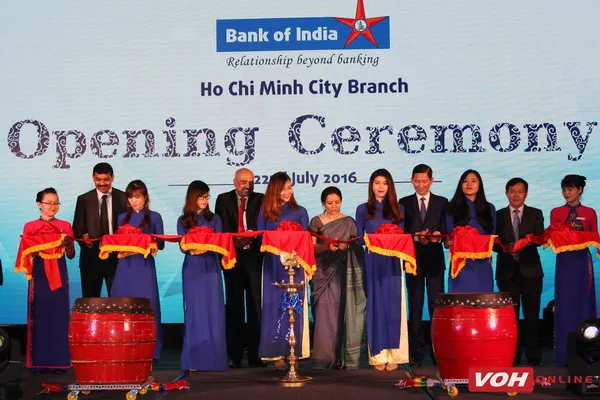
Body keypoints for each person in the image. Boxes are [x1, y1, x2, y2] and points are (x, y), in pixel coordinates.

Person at [355, 168, 408, 371]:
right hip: (373, 261)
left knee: (394, 305)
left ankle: (395, 354)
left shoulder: (398, 208)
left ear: (390, 186)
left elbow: (403, 236)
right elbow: (359, 239)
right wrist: (377, 240)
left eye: (385, 183)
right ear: (371, 185)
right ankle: (378, 355)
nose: (380, 187)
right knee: (376, 305)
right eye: (377, 183)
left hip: (393, 261)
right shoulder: (362, 209)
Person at [257, 172, 310, 369]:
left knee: (294, 307)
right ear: (274, 190)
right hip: (273, 266)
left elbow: (305, 241)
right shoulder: (265, 212)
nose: (287, 192)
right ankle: (275, 352)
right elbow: (261, 240)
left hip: (296, 267)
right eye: (283, 189)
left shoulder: (300, 211)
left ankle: (294, 351)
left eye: (290, 188)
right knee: (274, 306)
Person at [308, 186, 365, 370]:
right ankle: (323, 358)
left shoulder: (348, 222)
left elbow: (358, 246)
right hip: (322, 272)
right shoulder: (316, 221)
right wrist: (327, 247)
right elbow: (311, 247)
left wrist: (347, 247)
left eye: (337, 202)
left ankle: (341, 357)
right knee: (324, 313)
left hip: (344, 271)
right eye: (330, 203)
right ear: (323, 203)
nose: (334, 206)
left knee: (342, 312)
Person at [215, 168, 266, 368]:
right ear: (235, 182)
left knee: (255, 307)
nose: (247, 186)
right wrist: (235, 240)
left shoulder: (260, 199)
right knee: (234, 307)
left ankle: (255, 356)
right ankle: (234, 356)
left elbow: (262, 226)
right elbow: (222, 227)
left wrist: (251, 238)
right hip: (233, 258)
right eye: (244, 182)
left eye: (251, 182)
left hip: (254, 257)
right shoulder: (223, 199)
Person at [399, 164, 447, 367]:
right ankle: (416, 352)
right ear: (412, 181)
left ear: (431, 181)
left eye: (424, 181)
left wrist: (438, 235)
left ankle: (439, 351)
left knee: (437, 306)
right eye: (417, 181)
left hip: (435, 259)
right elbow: (401, 232)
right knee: (415, 305)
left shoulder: (442, 202)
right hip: (413, 261)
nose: (420, 185)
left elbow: (446, 228)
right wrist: (415, 236)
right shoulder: (404, 203)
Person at [110, 180, 165, 361]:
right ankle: (122, 347)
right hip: (124, 266)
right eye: (131, 197)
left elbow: (161, 244)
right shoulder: (121, 218)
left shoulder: (154, 217)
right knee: (123, 305)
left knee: (147, 305)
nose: (134, 201)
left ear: (145, 197)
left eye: (137, 197)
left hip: (143, 266)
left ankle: (150, 350)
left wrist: (145, 240)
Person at [22, 188, 75, 371]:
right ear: (39, 204)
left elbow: (71, 255)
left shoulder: (65, 226)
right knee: (40, 315)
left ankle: (60, 361)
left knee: (59, 315)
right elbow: (26, 255)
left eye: (56, 203)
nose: (53, 206)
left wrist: (69, 245)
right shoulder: (30, 227)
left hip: (59, 274)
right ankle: (38, 363)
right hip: (39, 275)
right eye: (48, 203)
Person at [178, 181, 228, 371]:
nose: (205, 200)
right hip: (193, 268)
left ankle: (215, 360)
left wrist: (203, 245)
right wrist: (199, 245)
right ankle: (194, 360)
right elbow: (184, 247)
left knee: (213, 310)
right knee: (195, 312)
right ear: (193, 198)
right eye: (201, 197)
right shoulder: (183, 221)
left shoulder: (215, 219)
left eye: (206, 196)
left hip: (211, 267)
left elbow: (220, 242)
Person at [494, 178, 544, 366]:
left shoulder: (535, 213)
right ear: (506, 193)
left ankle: (534, 356)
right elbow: (493, 243)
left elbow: (540, 238)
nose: (516, 195)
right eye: (512, 191)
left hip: (531, 272)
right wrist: (505, 247)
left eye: (520, 191)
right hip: (506, 273)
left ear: (526, 194)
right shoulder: (497, 215)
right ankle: (511, 356)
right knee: (510, 317)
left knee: (532, 316)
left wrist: (527, 241)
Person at [551, 174, 598, 366]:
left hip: (582, 262)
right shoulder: (556, 212)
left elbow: (595, 236)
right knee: (564, 304)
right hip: (564, 262)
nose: (566, 193)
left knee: (582, 302)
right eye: (564, 190)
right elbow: (552, 236)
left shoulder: (590, 212)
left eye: (570, 189)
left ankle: (585, 351)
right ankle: (563, 354)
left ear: (579, 190)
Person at [73, 162, 128, 297]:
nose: (102, 183)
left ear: (112, 177)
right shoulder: (83, 199)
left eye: (106, 179)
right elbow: (77, 228)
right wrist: (83, 239)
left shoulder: (124, 198)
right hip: (91, 259)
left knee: (119, 300)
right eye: (98, 179)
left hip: (117, 258)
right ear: (93, 178)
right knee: (90, 301)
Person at [445, 169, 496, 292]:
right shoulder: (451, 208)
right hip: (461, 263)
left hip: (483, 263)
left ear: (479, 185)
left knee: (483, 297)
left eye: (473, 181)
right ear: (460, 184)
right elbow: (448, 235)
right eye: (465, 181)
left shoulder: (489, 208)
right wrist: (448, 242)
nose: (469, 184)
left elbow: (493, 235)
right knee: (460, 298)